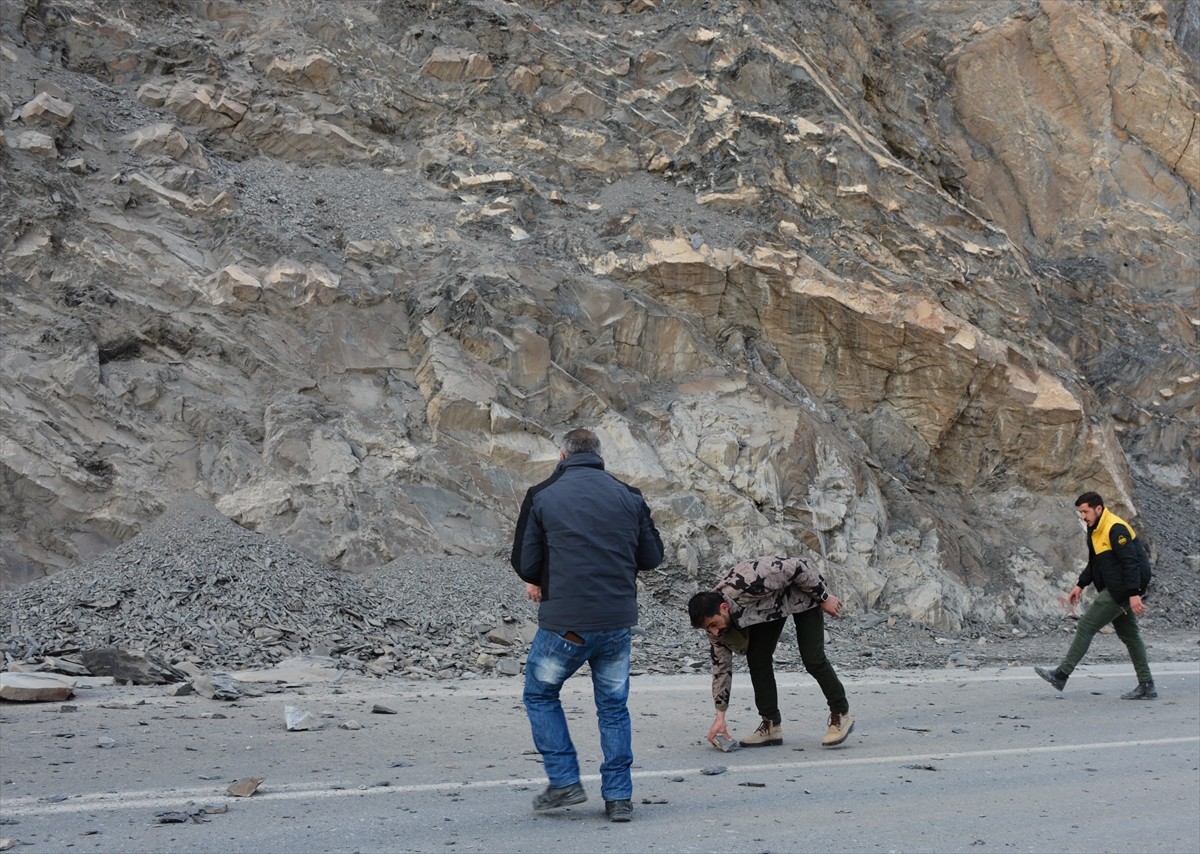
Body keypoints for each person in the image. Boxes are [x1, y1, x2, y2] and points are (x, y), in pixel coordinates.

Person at [511, 428, 664, 823]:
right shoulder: (629, 496)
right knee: (613, 708)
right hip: (616, 624)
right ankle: (618, 797)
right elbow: (651, 557)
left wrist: (546, 577)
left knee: (540, 694)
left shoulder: (542, 495)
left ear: (562, 456)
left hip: (567, 624)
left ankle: (564, 779)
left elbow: (526, 565)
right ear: (600, 456)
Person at [687, 554, 854, 750]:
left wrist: (824, 597)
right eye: (708, 629)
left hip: (804, 592)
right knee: (757, 659)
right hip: (771, 606)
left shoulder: (749, 582)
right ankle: (771, 725)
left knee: (813, 659)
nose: (714, 632)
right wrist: (720, 716)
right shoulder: (715, 628)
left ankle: (841, 714)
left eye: (714, 624)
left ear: (724, 608)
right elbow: (721, 670)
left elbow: (798, 567)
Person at [1035, 491, 1156, 698]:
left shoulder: (1115, 528)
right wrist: (1080, 585)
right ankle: (1146, 685)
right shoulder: (1094, 529)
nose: (1083, 516)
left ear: (1098, 509)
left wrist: (1134, 594)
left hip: (1123, 590)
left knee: (1086, 626)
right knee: (1130, 635)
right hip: (1121, 588)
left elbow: (1131, 563)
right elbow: (1095, 563)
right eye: (1080, 512)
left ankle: (1061, 675)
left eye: (1085, 511)